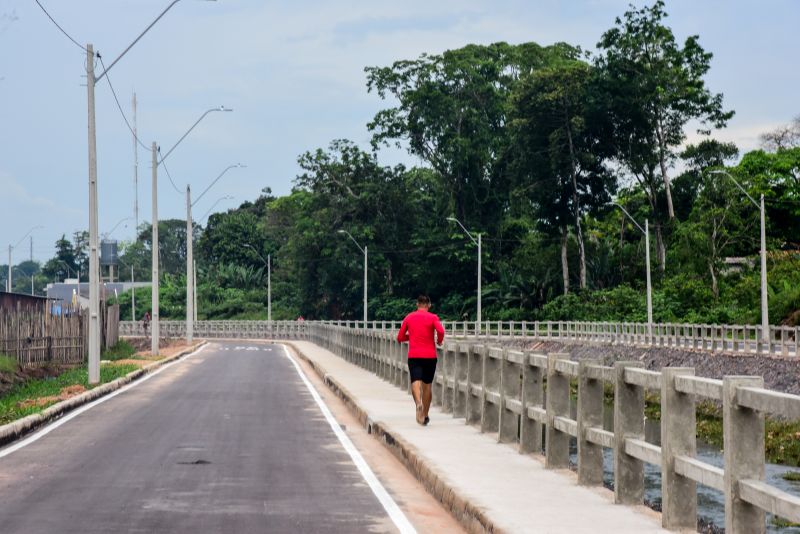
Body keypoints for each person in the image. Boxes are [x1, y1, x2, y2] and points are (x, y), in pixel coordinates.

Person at [397, 295, 445, 425]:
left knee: (415, 382)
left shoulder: (409, 317)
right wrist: (439, 341)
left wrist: (411, 337)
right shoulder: (433, 317)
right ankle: (425, 415)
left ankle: (418, 403)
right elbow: (441, 330)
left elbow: (400, 337)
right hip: (430, 356)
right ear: (428, 305)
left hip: (415, 356)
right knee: (427, 385)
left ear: (417, 304)